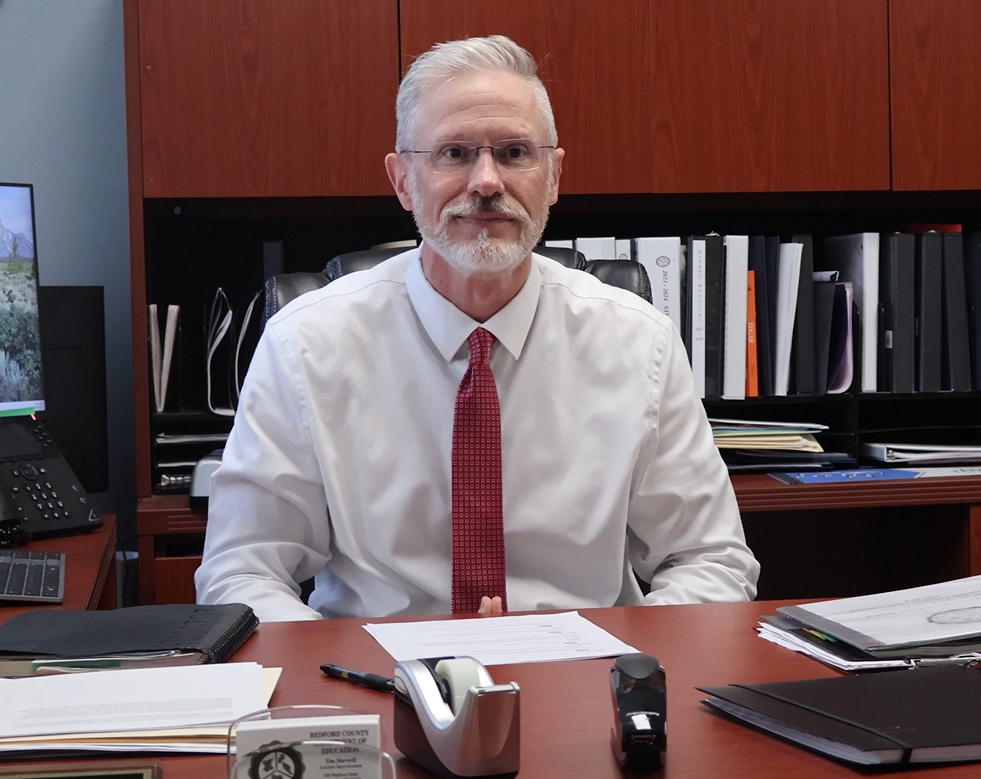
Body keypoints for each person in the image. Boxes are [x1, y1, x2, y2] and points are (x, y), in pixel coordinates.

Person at [195, 34, 759, 622]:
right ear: (402, 181)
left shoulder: (639, 343)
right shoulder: (305, 345)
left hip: (585, 667)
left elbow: (710, 559)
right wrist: (341, 667)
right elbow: (243, 570)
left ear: (553, 176)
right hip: (377, 665)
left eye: (514, 153)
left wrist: (621, 661)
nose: (487, 182)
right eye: (454, 153)